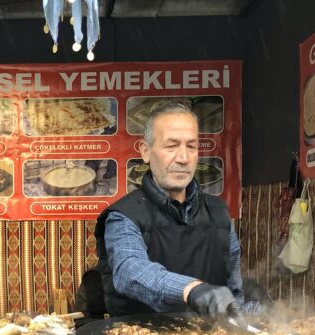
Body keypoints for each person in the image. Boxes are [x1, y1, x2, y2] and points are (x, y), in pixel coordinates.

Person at [95, 102, 244, 318]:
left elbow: (235, 292)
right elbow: (130, 270)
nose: (183, 158)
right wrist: (192, 290)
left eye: (191, 146)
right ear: (146, 152)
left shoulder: (218, 212)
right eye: (171, 146)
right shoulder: (123, 216)